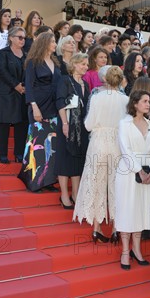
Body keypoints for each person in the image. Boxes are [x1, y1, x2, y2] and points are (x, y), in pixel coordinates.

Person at [73, 66, 128, 243]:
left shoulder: (97, 97)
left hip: (98, 142)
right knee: (115, 186)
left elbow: (88, 125)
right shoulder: (125, 100)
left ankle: (96, 228)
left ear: (104, 79)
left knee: (96, 183)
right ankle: (114, 229)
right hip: (117, 143)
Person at [116, 91, 150, 270]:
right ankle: (125, 251)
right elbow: (125, 149)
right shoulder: (124, 123)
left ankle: (137, 250)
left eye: (149, 101)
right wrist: (138, 170)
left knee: (141, 211)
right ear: (135, 103)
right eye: (145, 101)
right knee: (128, 210)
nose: (148, 104)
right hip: (128, 172)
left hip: (148, 172)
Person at [18, 32, 61, 192]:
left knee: (52, 144)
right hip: (38, 105)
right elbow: (29, 86)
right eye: (53, 41)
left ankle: (48, 180)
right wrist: (34, 106)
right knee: (37, 143)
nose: (55, 44)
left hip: (54, 107)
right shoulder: (33, 62)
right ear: (44, 43)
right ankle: (35, 181)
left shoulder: (55, 63)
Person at [55, 52, 90, 209]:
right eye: (82, 64)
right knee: (65, 159)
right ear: (74, 64)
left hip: (81, 127)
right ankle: (64, 195)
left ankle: (75, 194)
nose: (85, 67)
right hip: (67, 124)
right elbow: (60, 102)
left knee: (77, 160)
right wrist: (64, 123)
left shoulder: (86, 84)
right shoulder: (65, 80)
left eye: (87, 65)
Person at [0, 27, 27, 164]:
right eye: (20, 37)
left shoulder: (26, 55)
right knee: (4, 125)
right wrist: (15, 85)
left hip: (22, 93)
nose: (22, 40)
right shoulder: (3, 53)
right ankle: (2, 154)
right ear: (11, 38)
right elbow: (2, 71)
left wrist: (23, 86)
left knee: (21, 125)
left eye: (24, 38)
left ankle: (18, 153)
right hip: (5, 93)